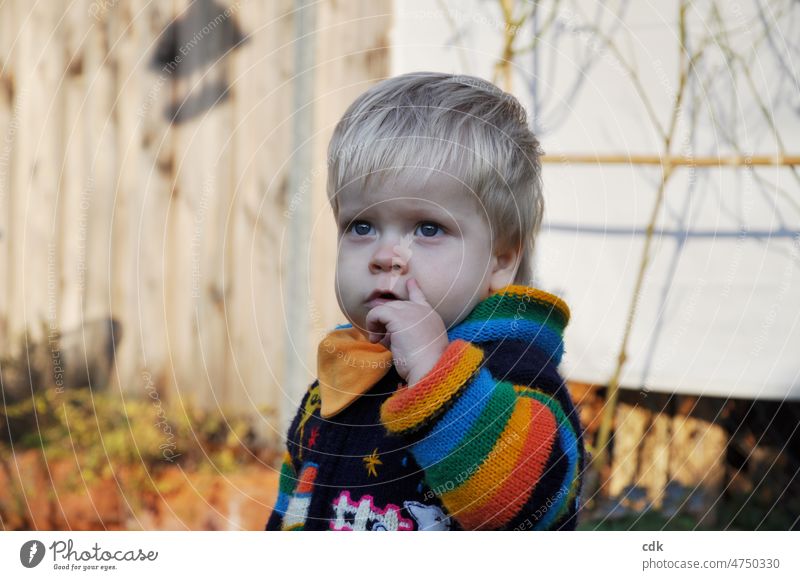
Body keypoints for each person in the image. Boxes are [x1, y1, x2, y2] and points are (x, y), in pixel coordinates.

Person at [265, 71, 585, 531]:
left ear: (501, 258)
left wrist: (438, 378)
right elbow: (294, 509)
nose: (385, 256)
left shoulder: (516, 370)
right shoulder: (346, 373)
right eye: (361, 226)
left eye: (428, 228)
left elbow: (528, 505)